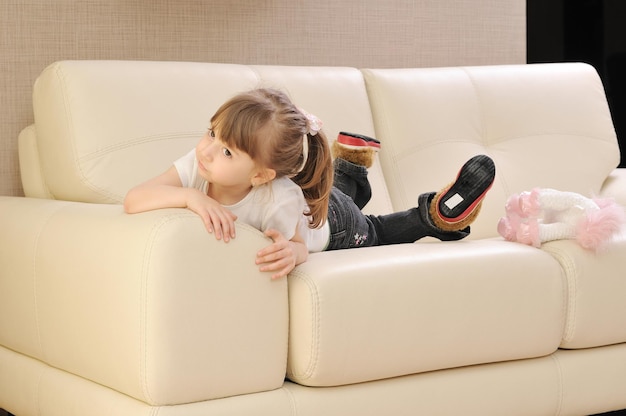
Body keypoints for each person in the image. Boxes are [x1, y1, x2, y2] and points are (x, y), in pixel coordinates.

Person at [124, 88, 496, 279]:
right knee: (329, 192)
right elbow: (134, 199)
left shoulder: (278, 198)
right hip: (315, 200)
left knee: (375, 230)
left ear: (260, 175)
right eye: (211, 133)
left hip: (335, 228)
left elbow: (301, 247)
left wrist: (293, 253)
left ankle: (435, 216)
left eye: (226, 152)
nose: (206, 151)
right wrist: (191, 197)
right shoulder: (197, 167)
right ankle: (351, 164)